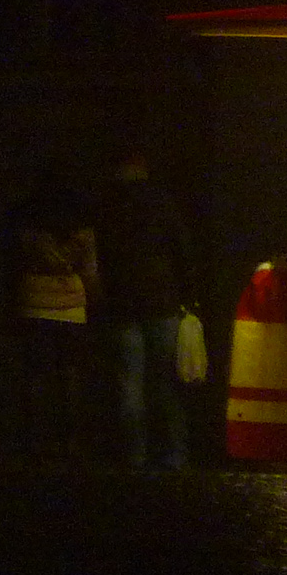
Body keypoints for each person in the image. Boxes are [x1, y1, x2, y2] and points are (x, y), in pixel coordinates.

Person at [93, 147, 200, 473]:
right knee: (167, 383)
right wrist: (189, 295)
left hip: (123, 305)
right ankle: (174, 454)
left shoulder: (109, 208)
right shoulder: (163, 204)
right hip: (163, 302)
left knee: (129, 384)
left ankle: (135, 456)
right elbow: (183, 253)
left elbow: (100, 258)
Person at [7, 165, 99, 464]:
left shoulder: (27, 223)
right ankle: (70, 441)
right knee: (70, 375)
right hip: (71, 306)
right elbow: (90, 270)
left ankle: (35, 441)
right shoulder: (81, 227)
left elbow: (14, 263)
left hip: (34, 301)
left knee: (35, 375)